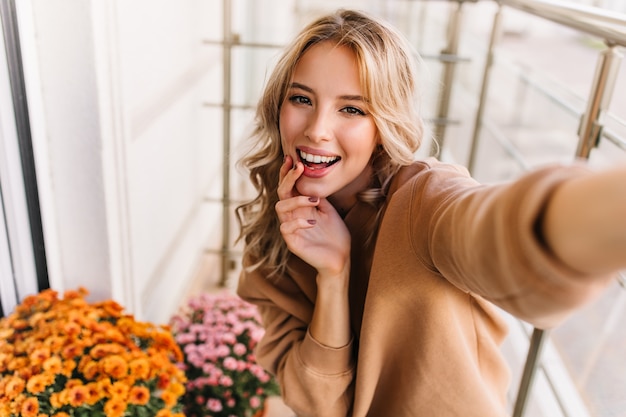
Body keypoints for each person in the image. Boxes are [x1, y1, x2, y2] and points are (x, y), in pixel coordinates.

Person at [234, 8, 625, 417]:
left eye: (351, 109)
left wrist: (606, 210)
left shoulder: (423, 199)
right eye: (301, 99)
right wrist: (334, 276)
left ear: (383, 124)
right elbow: (318, 405)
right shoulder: (271, 238)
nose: (316, 129)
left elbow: (499, 233)